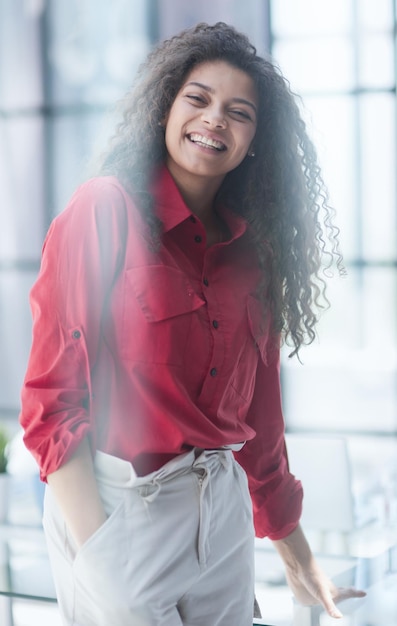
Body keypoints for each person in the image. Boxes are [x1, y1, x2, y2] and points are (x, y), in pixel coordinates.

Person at [19, 22, 365, 626]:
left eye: (239, 112)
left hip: (220, 517)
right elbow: (52, 404)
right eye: (198, 99)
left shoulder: (255, 255)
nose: (214, 120)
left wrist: (299, 561)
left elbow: (259, 421)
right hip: (118, 511)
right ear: (164, 109)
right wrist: (98, 555)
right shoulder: (103, 209)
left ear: (256, 140)